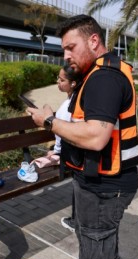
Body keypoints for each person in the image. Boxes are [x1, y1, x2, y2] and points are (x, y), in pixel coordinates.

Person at [27, 15, 138, 259]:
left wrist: (48, 122)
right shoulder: (101, 71)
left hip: (106, 185)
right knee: (86, 233)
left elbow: (95, 137)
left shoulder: (104, 78)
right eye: (63, 50)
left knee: (104, 255)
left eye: (70, 47)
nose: (66, 56)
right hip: (93, 178)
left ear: (93, 41)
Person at [50, 65, 82, 233]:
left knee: (79, 185)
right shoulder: (73, 99)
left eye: (62, 80)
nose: (58, 82)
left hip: (70, 154)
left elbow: (62, 132)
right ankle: (77, 219)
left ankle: (76, 221)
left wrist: (56, 151)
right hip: (69, 151)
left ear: (73, 83)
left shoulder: (73, 103)